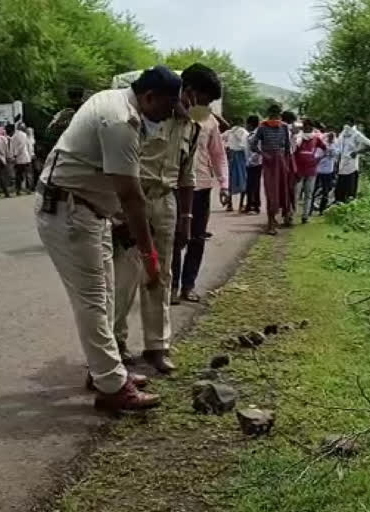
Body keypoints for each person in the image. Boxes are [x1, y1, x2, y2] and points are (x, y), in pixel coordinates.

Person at [34, 66, 182, 412]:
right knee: (92, 301)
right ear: (149, 98)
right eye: (168, 105)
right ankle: (113, 388)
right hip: (69, 211)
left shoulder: (116, 100)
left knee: (105, 295)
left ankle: (106, 372)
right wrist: (151, 259)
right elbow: (132, 197)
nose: (170, 115)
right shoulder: (120, 121)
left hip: (89, 210)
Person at [113, 74, 203, 373]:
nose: (197, 106)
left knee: (160, 275)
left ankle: (157, 346)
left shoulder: (192, 127)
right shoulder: (145, 116)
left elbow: (187, 176)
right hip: (132, 200)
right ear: (183, 91)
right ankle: (117, 343)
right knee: (125, 275)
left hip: (165, 202)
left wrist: (186, 219)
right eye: (195, 98)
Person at [171, 63, 229, 305]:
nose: (204, 106)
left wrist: (224, 184)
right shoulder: (170, 114)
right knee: (173, 238)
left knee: (196, 239)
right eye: (204, 99)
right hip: (173, 187)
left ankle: (188, 285)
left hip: (202, 188)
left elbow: (218, 154)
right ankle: (170, 286)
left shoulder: (209, 121)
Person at [250, 104, 293, 235]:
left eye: (277, 113)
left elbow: (287, 147)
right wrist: (263, 154)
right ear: (269, 114)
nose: (275, 116)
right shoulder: (262, 127)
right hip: (269, 163)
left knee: (283, 191)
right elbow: (253, 144)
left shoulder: (284, 127)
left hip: (281, 162)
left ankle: (285, 216)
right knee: (271, 192)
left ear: (280, 114)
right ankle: (270, 223)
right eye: (272, 113)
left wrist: (287, 163)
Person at [293, 118, 327, 224]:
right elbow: (292, 152)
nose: (308, 127)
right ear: (303, 126)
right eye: (306, 125)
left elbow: (325, 149)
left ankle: (305, 216)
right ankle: (291, 215)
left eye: (310, 126)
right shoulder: (298, 138)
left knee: (309, 194)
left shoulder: (316, 138)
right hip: (298, 170)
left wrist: (318, 159)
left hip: (311, 169)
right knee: (296, 193)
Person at [335, 116, 370, 203]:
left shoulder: (356, 134)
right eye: (345, 123)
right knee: (339, 191)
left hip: (352, 167)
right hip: (342, 166)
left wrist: (357, 152)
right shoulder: (343, 134)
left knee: (350, 192)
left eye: (348, 123)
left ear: (352, 123)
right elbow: (338, 147)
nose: (346, 125)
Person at [223, 118, 248, 212]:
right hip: (241, 156)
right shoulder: (243, 132)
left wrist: (227, 148)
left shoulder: (229, 132)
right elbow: (245, 145)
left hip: (231, 156)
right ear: (241, 123)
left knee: (230, 179)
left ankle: (230, 204)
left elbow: (221, 139)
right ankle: (241, 205)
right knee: (243, 179)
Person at [312, 131, 338, 215]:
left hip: (328, 171)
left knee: (326, 190)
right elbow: (316, 156)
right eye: (329, 137)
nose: (330, 139)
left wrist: (331, 151)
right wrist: (325, 152)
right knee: (314, 189)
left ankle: (321, 210)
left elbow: (336, 155)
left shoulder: (335, 145)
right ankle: (310, 208)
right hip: (319, 170)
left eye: (332, 138)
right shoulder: (322, 144)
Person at [243, 115, 262, 214]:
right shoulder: (250, 134)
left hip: (255, 163)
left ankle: (254, 205)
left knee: (253, 185)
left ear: (251, 124)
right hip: (249, 162)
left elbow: (258, 149)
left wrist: (250, 161)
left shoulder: (257, 134)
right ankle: (250, 203)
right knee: (249, 185)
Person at [8, 123, 32, 194]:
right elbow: (20, 146)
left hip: (21, 158)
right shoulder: (20, 135)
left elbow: (17, 147)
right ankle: (24, 189)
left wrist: (14, 155)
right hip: (23, 158)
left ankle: (21, 189)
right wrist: (14, 155)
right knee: (24, 174)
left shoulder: (17, 135)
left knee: (21, 175)